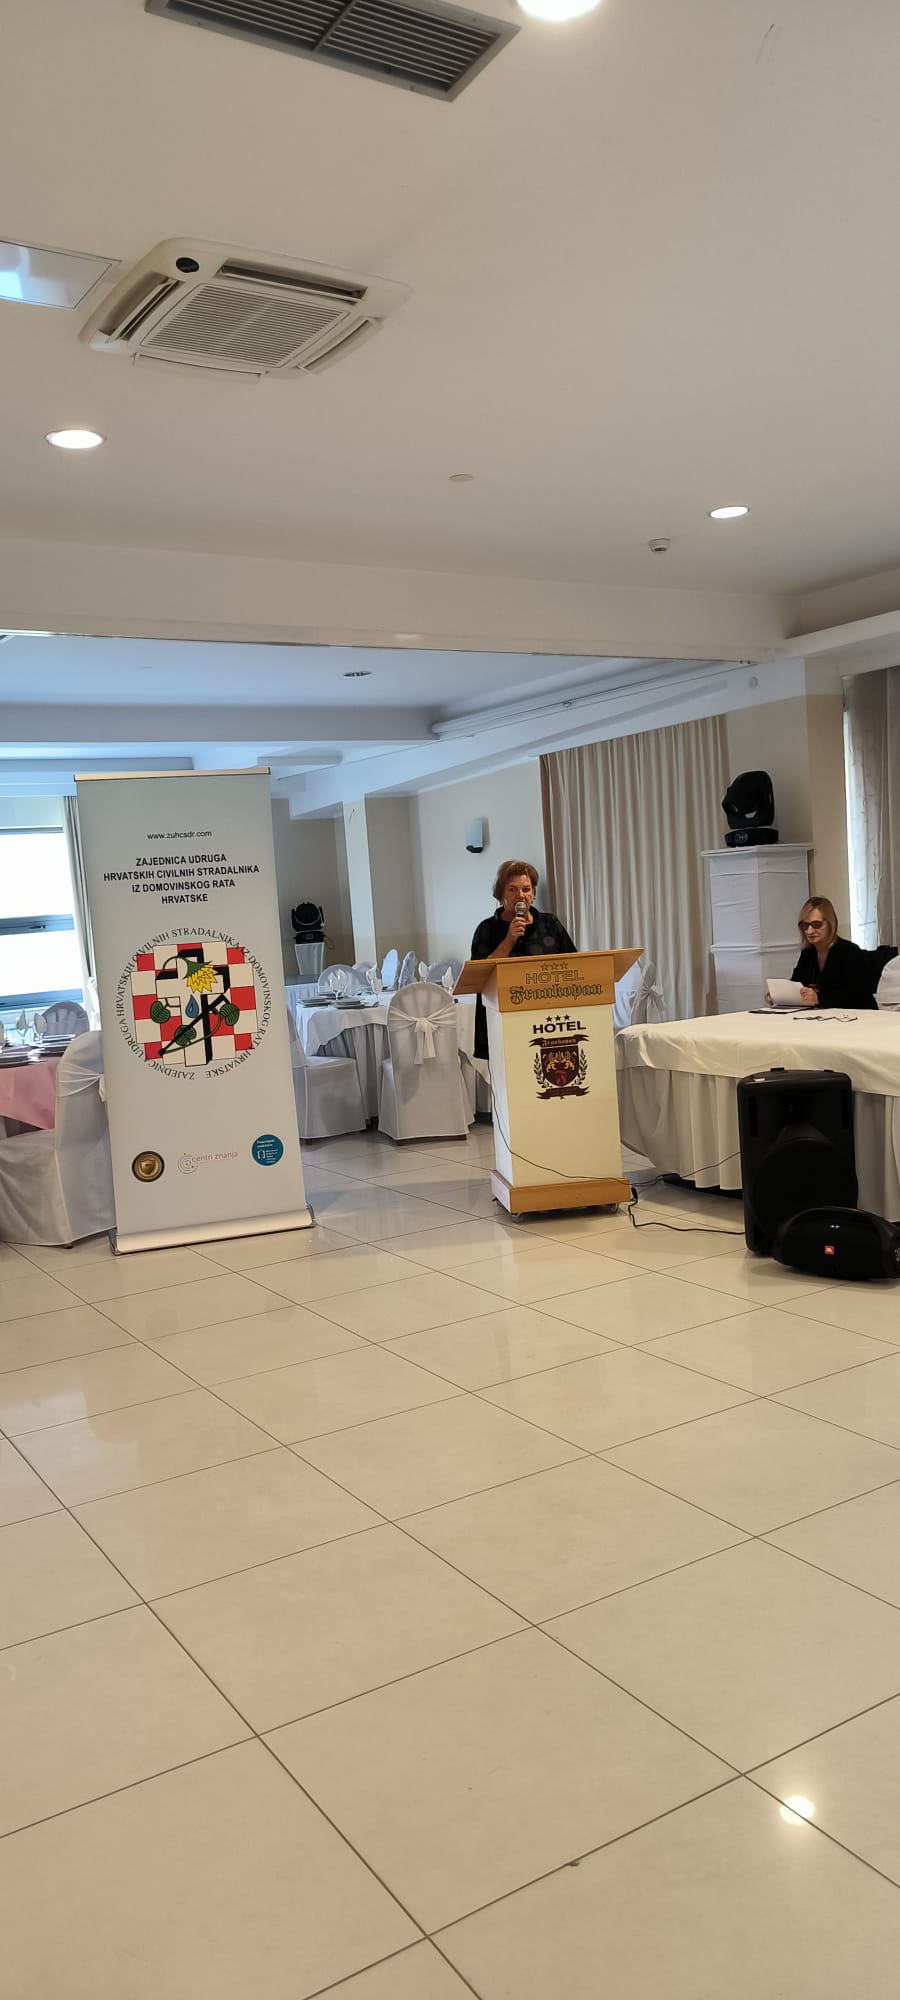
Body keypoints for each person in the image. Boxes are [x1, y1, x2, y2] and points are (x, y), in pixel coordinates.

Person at [470, 860, 576, 1059]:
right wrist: (508, 941)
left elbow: (574, 965)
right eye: (512, 890)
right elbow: (478, 977)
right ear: (500, 895)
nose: (520, 895)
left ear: (533, 894)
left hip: (549, 1022)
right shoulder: (486, 930)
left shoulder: (550, 924)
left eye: (526, 889)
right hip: (504, 1023)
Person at [788, 897, 878, 1009]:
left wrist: (819, 998)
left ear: (830, 923)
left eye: (816, 924)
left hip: (859, 1014)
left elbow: (856, 995)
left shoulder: (849, 951)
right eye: (804, 925)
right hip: (825, 1014)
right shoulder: (808, 952)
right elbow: (797, 983)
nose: (809, 931)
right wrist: (782, 996)